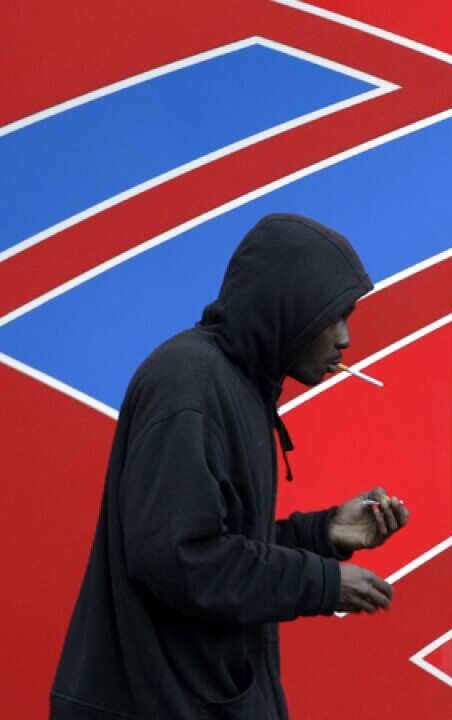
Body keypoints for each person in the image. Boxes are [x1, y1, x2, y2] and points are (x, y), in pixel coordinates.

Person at [50, 214, 410, 719]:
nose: (346, 338)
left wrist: (322, 534)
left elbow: (220, 544)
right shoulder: (189, 385)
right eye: (336, 315)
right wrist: (322, 582)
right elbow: (180, 559)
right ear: (291, 304)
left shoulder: (238, 384)